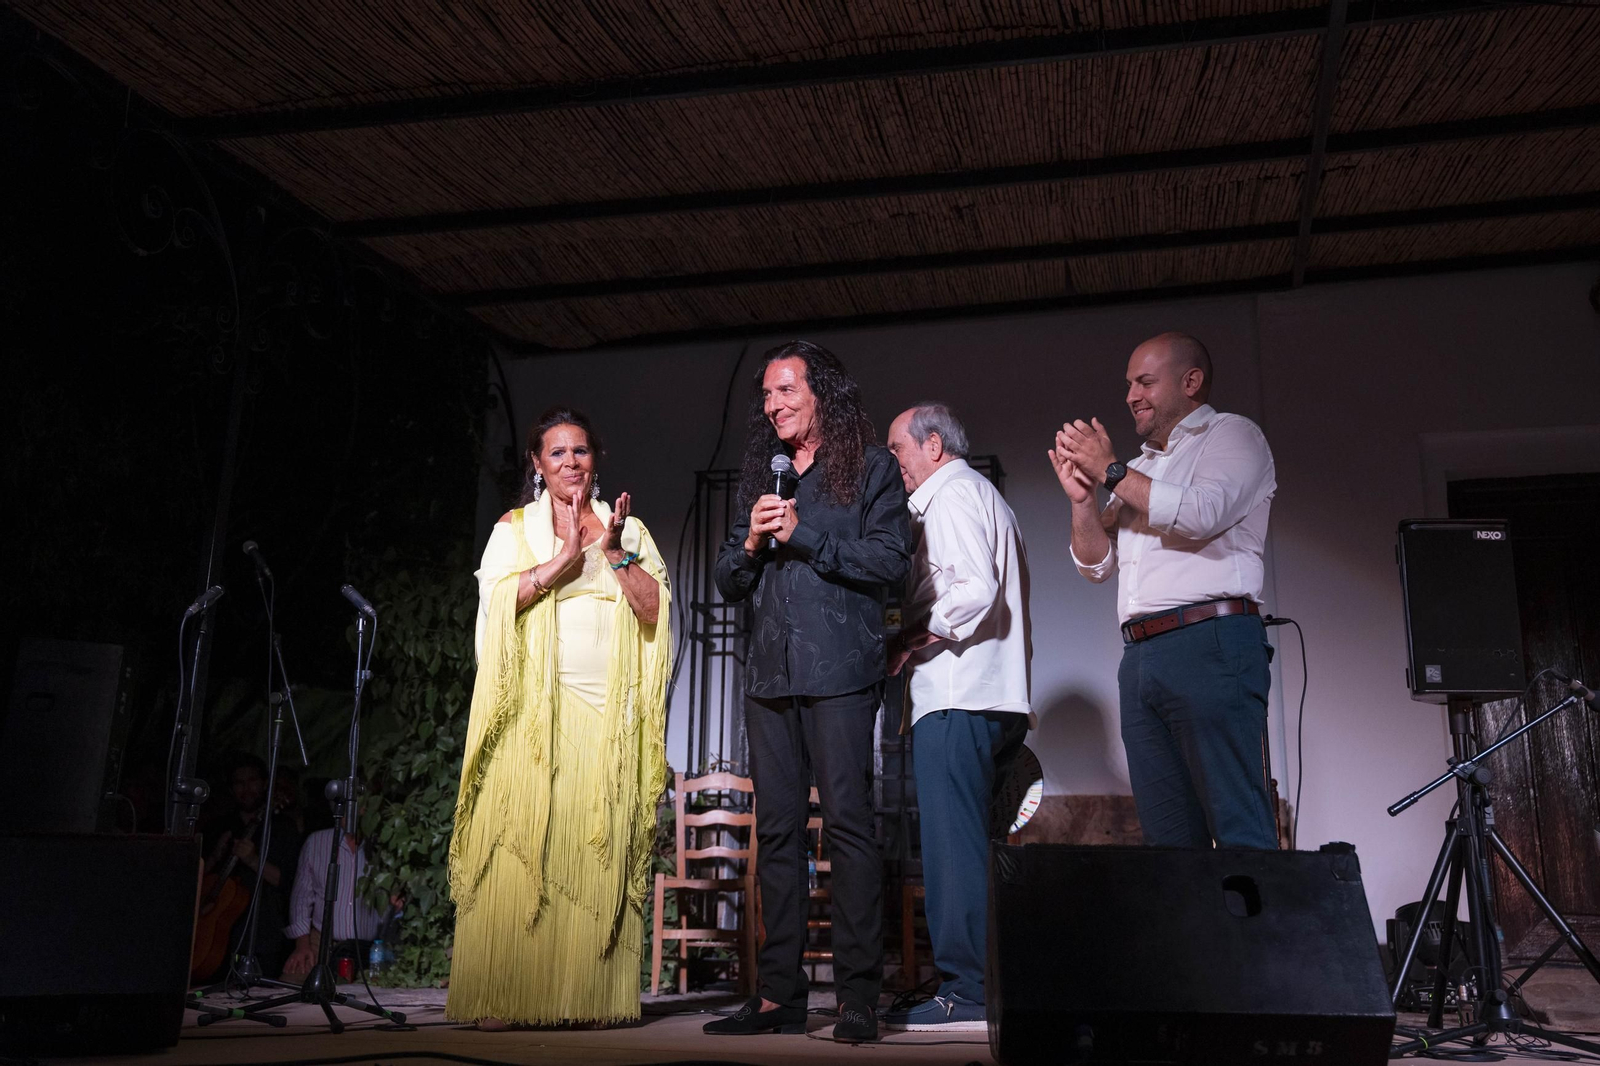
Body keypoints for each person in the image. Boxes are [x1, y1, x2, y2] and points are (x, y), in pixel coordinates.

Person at [706, 341, 911, 1044]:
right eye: (766, 395)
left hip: (842, 674)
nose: (774, 405)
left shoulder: (872, 470)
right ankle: (779, 996)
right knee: (778, 834)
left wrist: (804, 537)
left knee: (850, 829)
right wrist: (755, 545)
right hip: (769, 676)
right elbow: (728, 579)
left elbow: (890, 560)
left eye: (787, 390)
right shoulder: (763, 479)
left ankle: (857, 997)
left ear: (822, 392)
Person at [445, 406, 671, 1029]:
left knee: (597, 851)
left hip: (608, 722)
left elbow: (656, 614)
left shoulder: (632, 529)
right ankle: (504, 996)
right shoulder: (513, 528)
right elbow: (497, 605)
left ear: (595, 459)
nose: (570, 462)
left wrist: (613, 551)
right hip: (530, 715)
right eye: (557, 453)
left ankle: (590, 996)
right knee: (523, 847)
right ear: (537, 465)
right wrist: (564, 558)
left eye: (581, 452)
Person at [1050, 331, 1278, 849]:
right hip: (1141, 658)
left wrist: (1110, 470)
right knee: (1170, 838)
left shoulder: (1233, 436)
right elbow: (1096, 565)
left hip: (1212, 644)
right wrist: (1082, 501)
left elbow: (1199, 514)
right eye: (1129, 383)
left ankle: (1256, 933)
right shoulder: (1142, 468)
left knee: (1238, 826)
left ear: (1191, 382)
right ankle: (1191, 934)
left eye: (1146, 382)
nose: (1131, 395)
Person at [881, 402, 1031, 1032]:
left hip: (959, 696)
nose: (893, 462)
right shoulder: (979, 496)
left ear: (933, 445)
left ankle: (967, 990)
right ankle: (978, 985)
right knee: (966, 847)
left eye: (897, 449)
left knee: (951, 849)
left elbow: (972, 590)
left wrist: (908, 636)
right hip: (983, 696)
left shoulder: (954, 496)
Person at [201, 752, 301, 980]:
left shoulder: (282, 828)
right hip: (218, 939)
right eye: (239, 783)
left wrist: (253, 860)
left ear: (265, 783)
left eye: (252, 781)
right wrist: (216, 856)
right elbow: (197, 881)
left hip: (264, 938)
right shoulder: (220, 826)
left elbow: (288, 881)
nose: (246, 789)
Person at [281, 818, 390, 979]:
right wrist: (302, 945)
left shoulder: (384, 842)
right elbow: (301, 897)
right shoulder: (316, 842)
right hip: (322, 943)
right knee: (290, 986)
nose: (352, 812)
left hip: (371, 949)